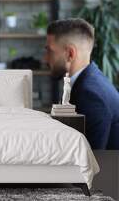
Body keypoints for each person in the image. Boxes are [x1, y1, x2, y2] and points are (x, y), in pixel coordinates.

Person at [44, 18, 119, 149]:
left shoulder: (90, 95)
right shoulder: (88, 80)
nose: (45, 58)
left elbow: (91, 160)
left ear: (70, 54)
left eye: (49, 51)